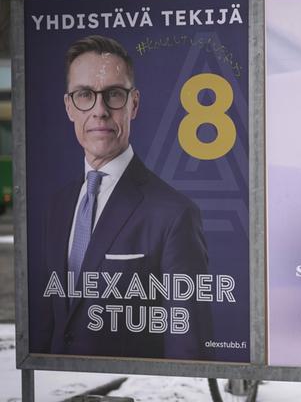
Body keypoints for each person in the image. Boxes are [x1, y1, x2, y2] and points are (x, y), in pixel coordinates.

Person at [31, 35, 212, 360]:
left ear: (134, 104)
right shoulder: (57, 206)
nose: (99, 111)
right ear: (69, 106)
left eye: (113, 95)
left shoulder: (173, 213)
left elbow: (188, 343)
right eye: (85, 94)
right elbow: (51, 320)